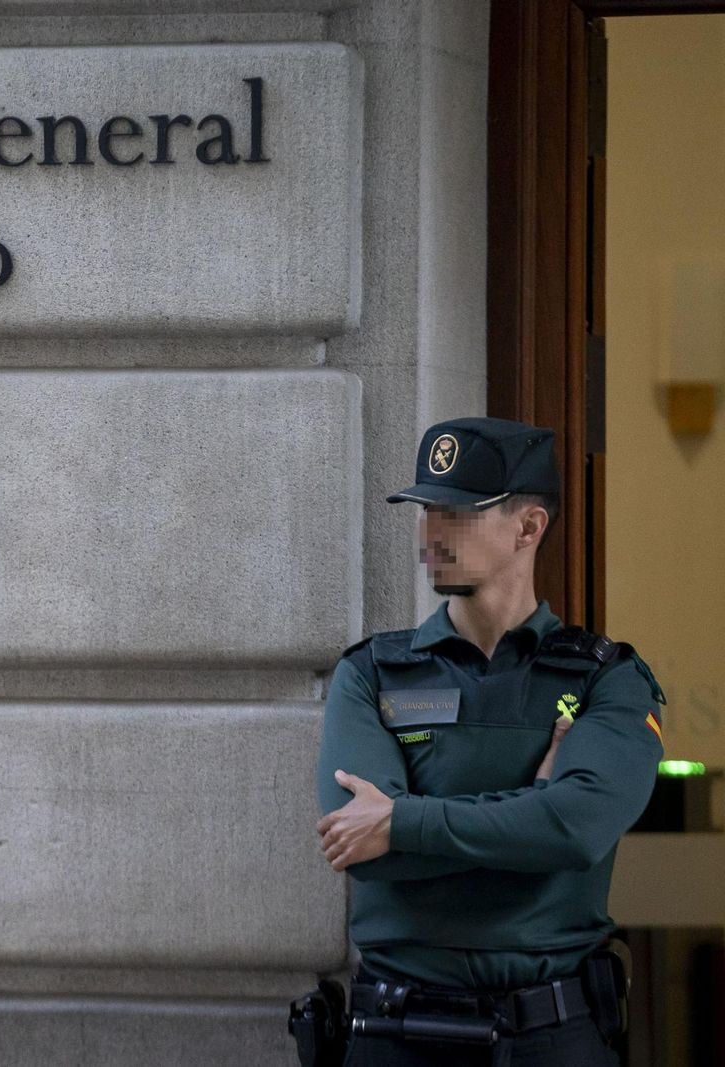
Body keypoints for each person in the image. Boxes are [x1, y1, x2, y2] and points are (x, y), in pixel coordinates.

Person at [293, 417, 667, 1067]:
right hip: (395, 1036)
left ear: (528, 527)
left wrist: (403, 818)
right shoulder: (372, 673)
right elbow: (362, 850)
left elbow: (575, 830)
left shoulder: (607, 678)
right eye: (428, 509)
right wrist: (536, 801)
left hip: (552, 1036)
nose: (432, 532)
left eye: (460, 512)